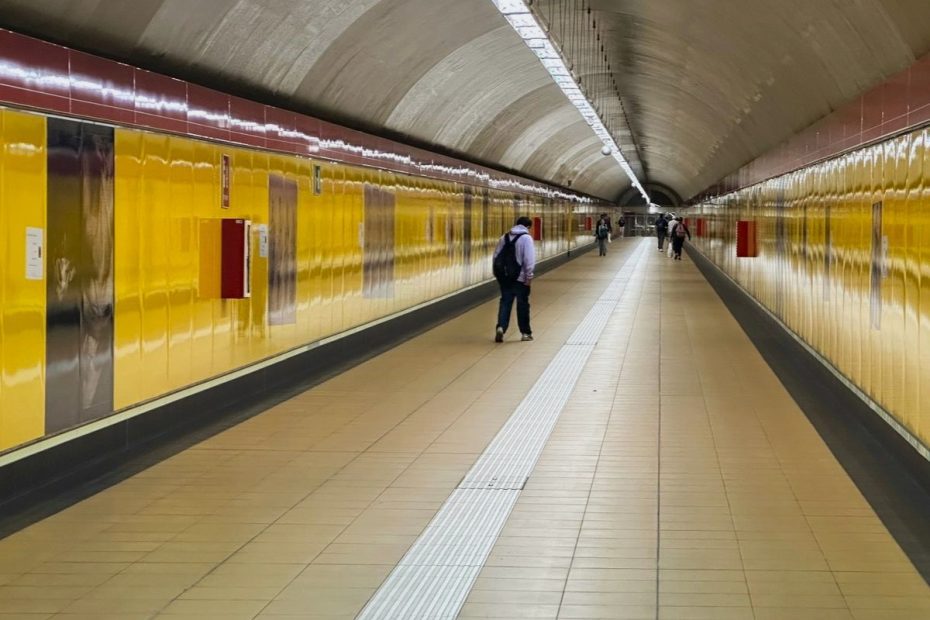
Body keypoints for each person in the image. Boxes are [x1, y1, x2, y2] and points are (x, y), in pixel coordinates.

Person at [493, 216, 536, 342]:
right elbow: (529, 260)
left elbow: (496, 257)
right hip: (520, 278)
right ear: (528, 227)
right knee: (522, 305)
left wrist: (497, 274)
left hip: (505, 277)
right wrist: (529, 277)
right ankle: (525, 333)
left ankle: (501, 327)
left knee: (505, 302)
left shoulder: (504, 237)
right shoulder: (526, 238)